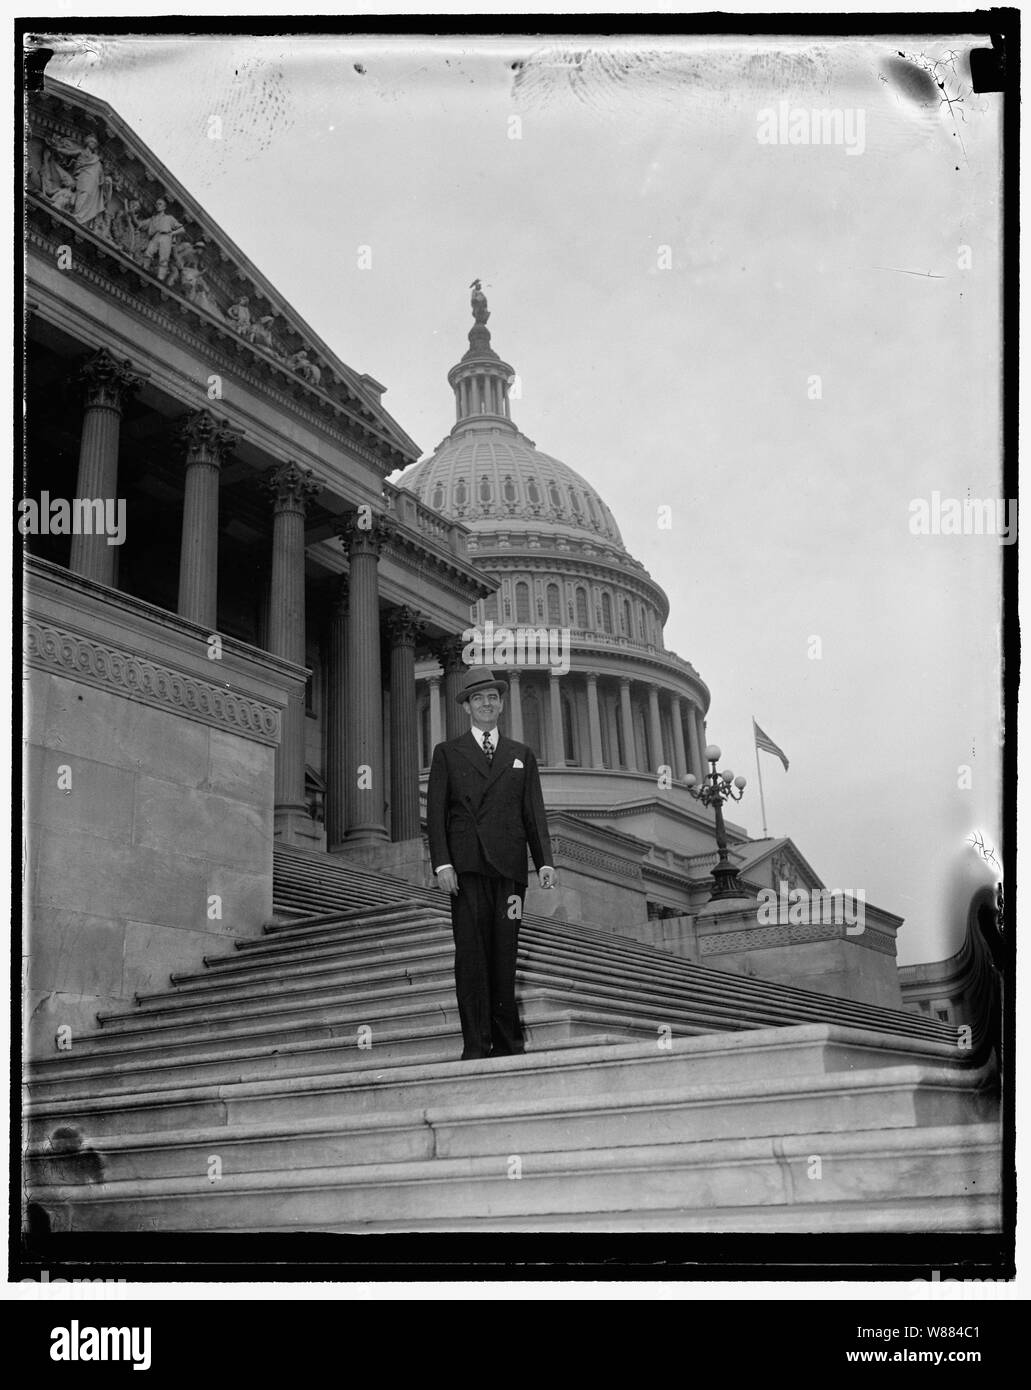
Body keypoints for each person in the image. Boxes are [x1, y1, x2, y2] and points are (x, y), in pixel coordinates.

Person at [427, 668, 555, 1060]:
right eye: (479, 697)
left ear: (501, 704)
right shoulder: (447, 753)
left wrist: (544, 862)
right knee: (471, 957)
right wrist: (442, 864)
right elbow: (436, 814)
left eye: (493, 697)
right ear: (467, 706)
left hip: (510, 873)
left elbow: (533, 812)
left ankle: (508, 1044)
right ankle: (476, 1046)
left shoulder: (521, 755)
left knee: (505, 955)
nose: (487, 703)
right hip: (465, 869)